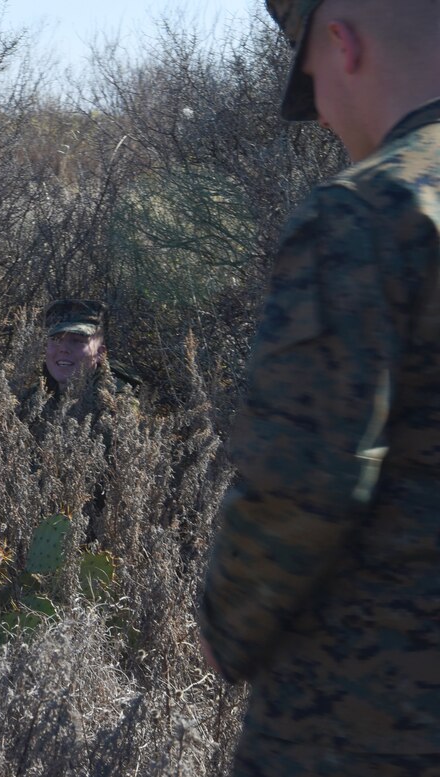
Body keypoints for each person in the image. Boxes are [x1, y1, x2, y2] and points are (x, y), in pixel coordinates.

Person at [199, 1, 440, 774]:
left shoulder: (368, 214)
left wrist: (224, 623)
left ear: (341, 45)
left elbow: (301, 483)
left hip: (373, 718)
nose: (328, 121)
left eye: (312, 90)